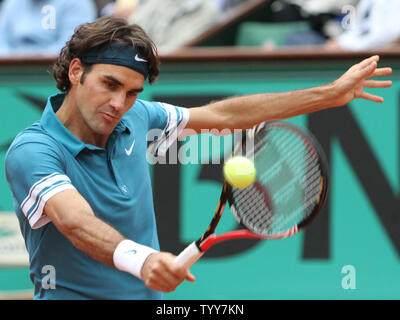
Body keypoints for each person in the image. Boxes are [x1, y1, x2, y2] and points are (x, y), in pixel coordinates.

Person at [5, 15, 392, 300]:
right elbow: (75, 222)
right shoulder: (33, 151)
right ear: (76, 71)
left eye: (132, 92)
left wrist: (329, 94)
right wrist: (143, 261)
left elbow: (223, 115)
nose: (118, 104)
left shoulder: (137, 119)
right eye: (110, 84)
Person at [0, 0, 97, 57]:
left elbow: (72, 47)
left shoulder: (77, 3)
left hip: (53, 74)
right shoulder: (11, 3)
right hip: (10, 72)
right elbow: (2, 43)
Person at [325, 0, 400, 51]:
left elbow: (389, 35)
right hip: (362, 53)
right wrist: (340, 42)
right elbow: (358, 28)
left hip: (384, 58)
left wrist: (345, 46)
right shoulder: (366, 2)